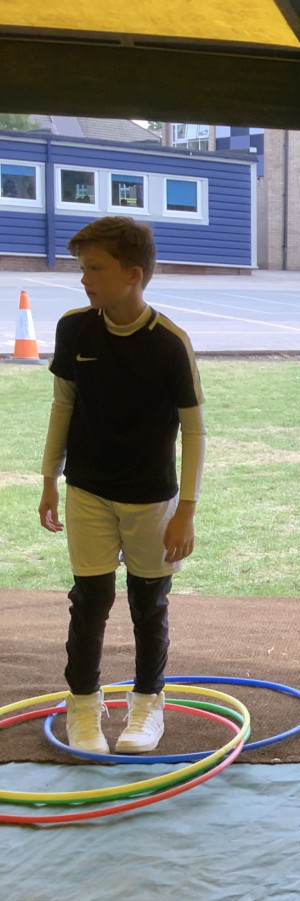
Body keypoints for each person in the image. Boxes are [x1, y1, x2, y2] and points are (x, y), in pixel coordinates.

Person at [38, 216, 206, 756]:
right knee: (89, 600)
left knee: (148, 603)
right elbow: (62, 406)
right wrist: (49, 479)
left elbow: (195, 430)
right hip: (86, 489)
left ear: (133, 274)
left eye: (95, 268)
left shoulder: (170, 343)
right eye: (82, 268)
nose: (84, 279)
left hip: (151, 497)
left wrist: (186, 511)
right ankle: (84, 706)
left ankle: (147, 704)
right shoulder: (73, 328)